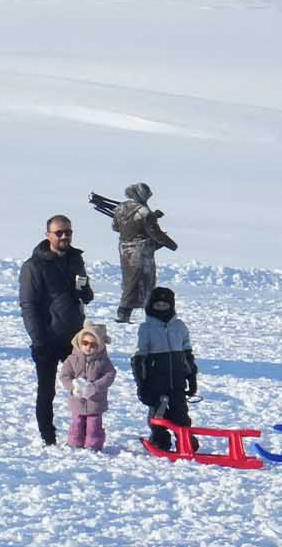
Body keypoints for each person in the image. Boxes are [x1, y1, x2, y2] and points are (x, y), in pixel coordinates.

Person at [19, 214, 94, 445]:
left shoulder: (75, 259)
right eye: (59, 233)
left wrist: (84, 291)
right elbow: (28, 305)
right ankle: (48, 436)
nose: (64, 236)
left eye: (68, 232)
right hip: (48, 338)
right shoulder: (34, 265)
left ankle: (83, 433)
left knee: (83, 388)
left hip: (74, 338)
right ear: (48, 235)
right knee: (47, 390)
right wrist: (38, 339)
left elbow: (86, 295)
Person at [132, 286, 198, 453]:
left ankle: (186, 441)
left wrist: (191, 377)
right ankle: (159, 441)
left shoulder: (179, 326)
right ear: (151, 306)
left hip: (177, 382)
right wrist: (141, 384)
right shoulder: (146, 328)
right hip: (156, 383)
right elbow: (140, 357)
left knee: (181, 414)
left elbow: (187, 353)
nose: (161, 308)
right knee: (158, 415)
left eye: (165, 305)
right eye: (158, 305)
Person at [111, 182, 177, 323]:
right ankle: (139, 312)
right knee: (143, 282)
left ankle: (124, 313)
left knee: (130, 281)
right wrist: (171, 244)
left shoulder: (120, 208)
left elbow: (115, 227)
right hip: (141, 252)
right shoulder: (144, 212)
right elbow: (155, 233)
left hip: (124, 249)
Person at [59, 322, 116, 451]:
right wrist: (73, 387)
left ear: (99, 346)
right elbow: (64, 376)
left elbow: (110, 375)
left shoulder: (103, 361)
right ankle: (74, 443)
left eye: (93, 345)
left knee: (93, 424)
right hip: (77, 400)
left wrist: (95, 387)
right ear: (79, 342)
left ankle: (93, 445)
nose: (88, 347)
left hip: (96, 401)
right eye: (85, 343)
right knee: (77, 422)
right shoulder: (72, 359)